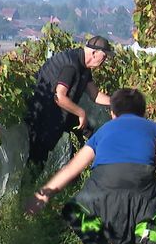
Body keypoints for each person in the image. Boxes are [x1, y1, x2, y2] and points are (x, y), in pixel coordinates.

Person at [25, 88, 156, 244]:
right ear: (143, 112)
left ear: (112, 113)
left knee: (95, 242)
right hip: (141, 192)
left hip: (102, 191)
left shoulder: (104, 131)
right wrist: (144, 163)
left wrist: (43, 194)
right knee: (131, 230)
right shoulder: (155, 127)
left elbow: (73, 167)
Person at [25, 35, 113, 166]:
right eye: (104, 56)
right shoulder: (71, 66)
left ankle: (81, 173)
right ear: (94, 53)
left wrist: (117, 102)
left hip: (58, 112)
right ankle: (33, 182)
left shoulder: (84, 67)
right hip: (43, 114)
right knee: (38, 158)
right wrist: (81, 113)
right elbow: (59, 97)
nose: (105, 60)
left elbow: (95, 94)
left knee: (87, 132)